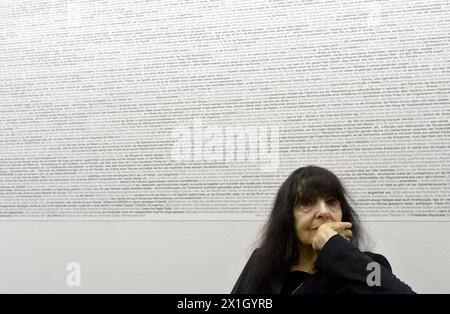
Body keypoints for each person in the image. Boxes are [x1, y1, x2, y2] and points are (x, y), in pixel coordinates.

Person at [231, 165, 416, 294]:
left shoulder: (365, 265)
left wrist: (335, 248)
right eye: (307, 203)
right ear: (288, 217)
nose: (324, 212)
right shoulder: (262, 262)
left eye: (332, 202)